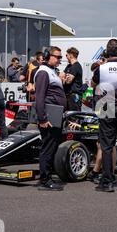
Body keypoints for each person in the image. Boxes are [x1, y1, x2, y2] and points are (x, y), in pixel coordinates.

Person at [92, 39, 117, 192]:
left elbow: (93, 85)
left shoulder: (101, 69)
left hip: (107, 108)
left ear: (106, 53)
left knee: (107, 146)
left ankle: (108, 182)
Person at [34, 46, 67, 191]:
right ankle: (44, 180)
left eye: (61, 57)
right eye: (57, 57)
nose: (60, 60)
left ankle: (48, 176)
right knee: (47, 147)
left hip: (55, 114)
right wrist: (42, 118)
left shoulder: (52, 72)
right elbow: (39, 97)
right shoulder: (43, 72)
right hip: (49, 115)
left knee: (52, 145)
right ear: (48, 56)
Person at [64, 47, 84, 111]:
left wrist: (64, 79)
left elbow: (68, 81)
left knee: (73, 118)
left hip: (74, 96)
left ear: (71, 55)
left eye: (66, 55)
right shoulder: (69, 66)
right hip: (68, 96)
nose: (66, 57)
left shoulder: (76, 66)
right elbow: (61, 76)